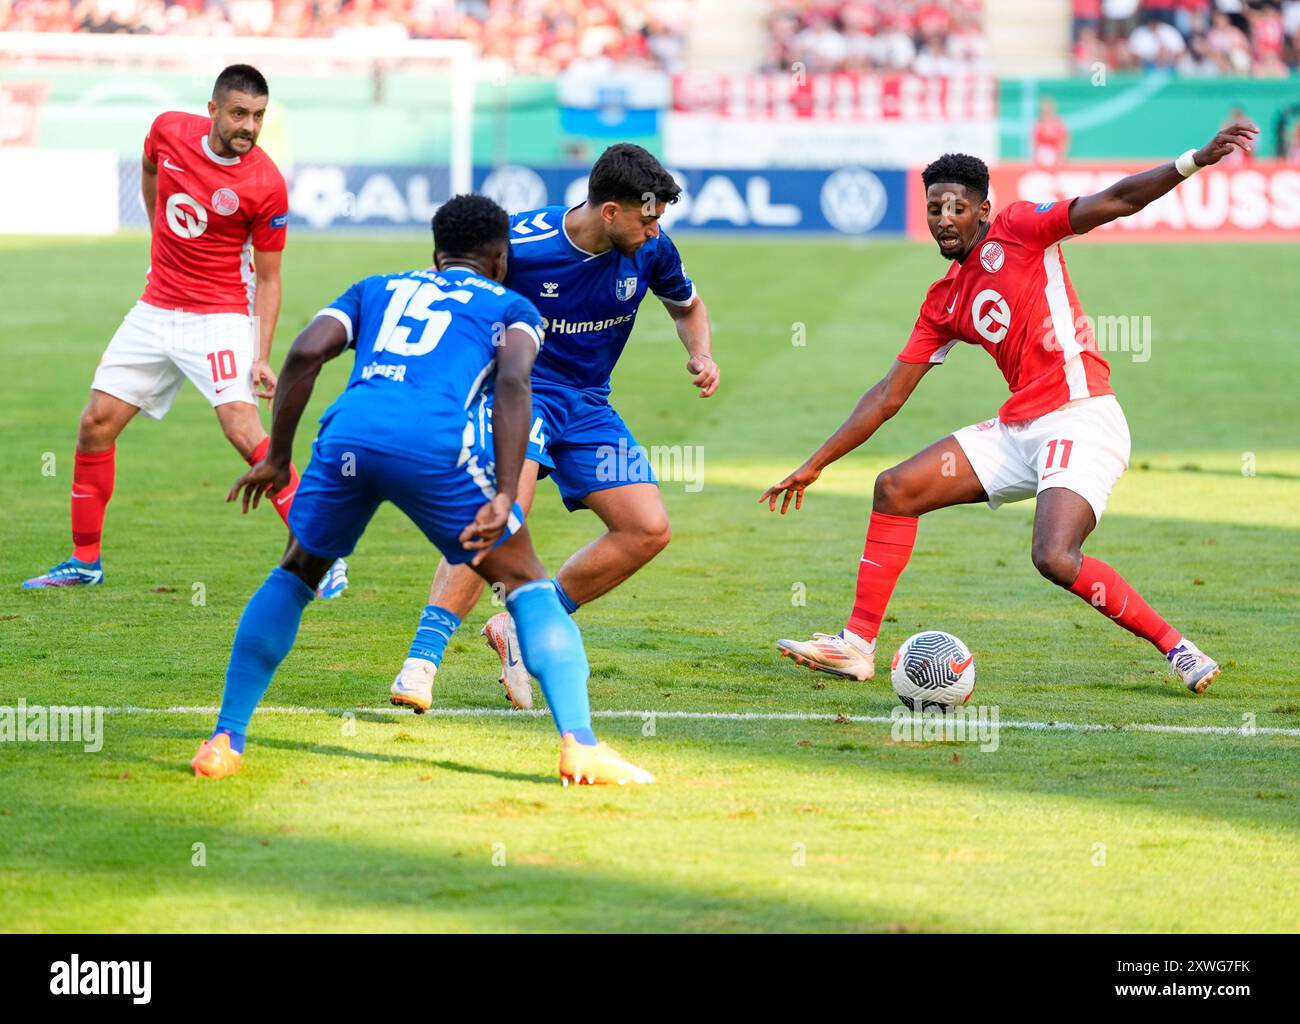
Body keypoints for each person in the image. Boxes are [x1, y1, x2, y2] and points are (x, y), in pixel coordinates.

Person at [761, 121, 1261, 696]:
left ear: (983, 210)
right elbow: (887, 395)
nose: (943, 218)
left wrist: (1193, 160)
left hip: (1081, 413)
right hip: (1020, 426)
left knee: (1054, 556)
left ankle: (1178, 648)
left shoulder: (1021, 228)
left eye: (957, 207)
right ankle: (856, 647)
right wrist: (817, 461)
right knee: (895, 490)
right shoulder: (943, 300)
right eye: (933, 208)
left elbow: (1116, 202)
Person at [190, 194, 654, 786]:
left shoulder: (375, 288)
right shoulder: (512, 308)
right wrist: (507, 492)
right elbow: (515, 384)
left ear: (437, 252)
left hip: (348, 438)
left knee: (296, 572)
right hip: (435, 446)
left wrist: (278, 456)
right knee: (528, 585)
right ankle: (580, 745)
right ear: (501, 256)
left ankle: (225, 739)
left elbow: (307, 351)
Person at [389, 144, 716, 713]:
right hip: (520, 392)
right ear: (609, 211)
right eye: (646, 218)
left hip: (587, 406)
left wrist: (701, 354)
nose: (654, 229)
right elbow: (447, 285)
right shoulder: (520, 244)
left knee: (647, 528)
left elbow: (687, 307)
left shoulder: (653, 249)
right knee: (502, 510)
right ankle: (422, 661)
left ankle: (519, 625)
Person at [22, 64, 347, 598]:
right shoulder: (169, 129)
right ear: (213, 109)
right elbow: (150, 167)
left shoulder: (266, 184)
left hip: (218, 317)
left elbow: (268, 279)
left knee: (245, 433)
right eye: (240, 113)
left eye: (259, 116)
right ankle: (84, 561)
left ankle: (323, 554)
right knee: (95, 424)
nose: (249, 126)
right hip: (154, 309)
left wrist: (260, 353)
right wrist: (157, 234)